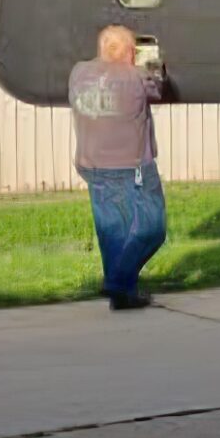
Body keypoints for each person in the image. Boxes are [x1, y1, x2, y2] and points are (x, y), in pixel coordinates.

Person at [69, 25, 168, 310]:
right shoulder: (137, 77)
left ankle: (122, 297)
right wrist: (156, 68)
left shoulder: (78, 73)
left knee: (113, 231)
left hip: (92, 165)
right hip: (132, 166)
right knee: (152, 227)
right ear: (128, 51)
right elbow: (159, 88)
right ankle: (118, 282)